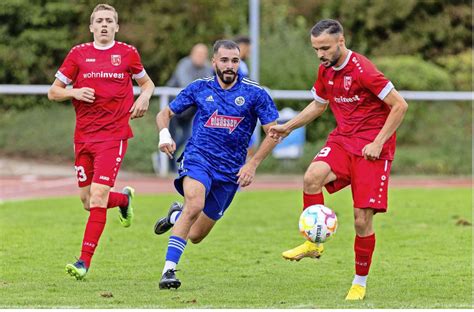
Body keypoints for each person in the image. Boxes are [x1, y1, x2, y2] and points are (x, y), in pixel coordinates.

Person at [269, 19, 408, 300]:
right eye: (315, 49)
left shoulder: (363, 70)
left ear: (341, 42)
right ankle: (314, 244)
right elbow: (319, 105)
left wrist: (378, 142)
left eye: (325, 48)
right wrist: (288, 126)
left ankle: (359, 282)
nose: (320, 54)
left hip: (372, 148)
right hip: (343, 141)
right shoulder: (325, 70)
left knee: (361, 221)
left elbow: (399, 105)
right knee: (311, 178)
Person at [154, 40, 279, 289]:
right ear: (214, 62)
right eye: (224, 60)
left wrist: (252, 164)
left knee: (196, 235)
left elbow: (274, 132)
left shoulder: (255, 94)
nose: (230, 65)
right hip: (198, 158)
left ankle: (176, 215)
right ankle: (169, 271)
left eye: (234, 61)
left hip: (230, 171)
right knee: (195, 203)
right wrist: (164, 135)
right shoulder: (200, 88)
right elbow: (164, 113)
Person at [47, 3, 155, 280]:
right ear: (92, 27)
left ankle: (83, 262)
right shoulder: (78, 54)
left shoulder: (127, 53)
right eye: (99, 20)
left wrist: (143, 97)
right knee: (87, 201)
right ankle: (123, 199)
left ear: (116, 26)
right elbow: (53, 92)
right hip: (83, 136)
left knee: (97, 196)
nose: (104, 24)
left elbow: (147, 84)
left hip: (113, 135)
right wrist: (75, 92)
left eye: (109, 20)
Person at [165, 43, 213, 171]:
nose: (201, 57)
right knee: (171, 137)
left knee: (188, 136)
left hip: (191, 109)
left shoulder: (207, 67)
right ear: (192, 54)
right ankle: (167, 164)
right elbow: (186, 85)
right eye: (198, 54)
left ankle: (173, 159)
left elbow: (209, 85)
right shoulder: (184, 64)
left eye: (203, 55)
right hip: (174, 106)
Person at [234, 36, 258, 157]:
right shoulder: (239, 64)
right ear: (242, 47)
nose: (250, 52)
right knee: (248, 141)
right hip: (238, 108)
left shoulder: (239, 64)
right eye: (249, 49)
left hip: (238, 107)